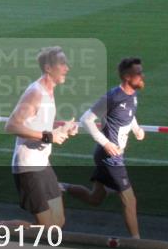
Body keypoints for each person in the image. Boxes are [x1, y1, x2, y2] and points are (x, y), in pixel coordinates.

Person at [62, 57, 146, 238]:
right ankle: (137, 242)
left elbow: (129, 115)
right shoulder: (113, 97)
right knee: (129, 200)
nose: (142, 76)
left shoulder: (132, 95)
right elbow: (86, 119)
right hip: (109, 157)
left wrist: (137, 129)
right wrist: (106, 143)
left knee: (95, 199)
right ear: (127, 77)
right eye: (138, 73)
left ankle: (61, 187)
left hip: (112, 155)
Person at [0, 46, 79, 228]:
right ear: (48, 68)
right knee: (48, 229)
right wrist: (49, 137)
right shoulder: (35, 92)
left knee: (58, 223)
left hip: (43, 164)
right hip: (28, 166)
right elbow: (11, 125)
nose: (67, 68)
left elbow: (38, 125)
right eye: (62, 64)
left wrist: (63, 130)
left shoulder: (49, 91)